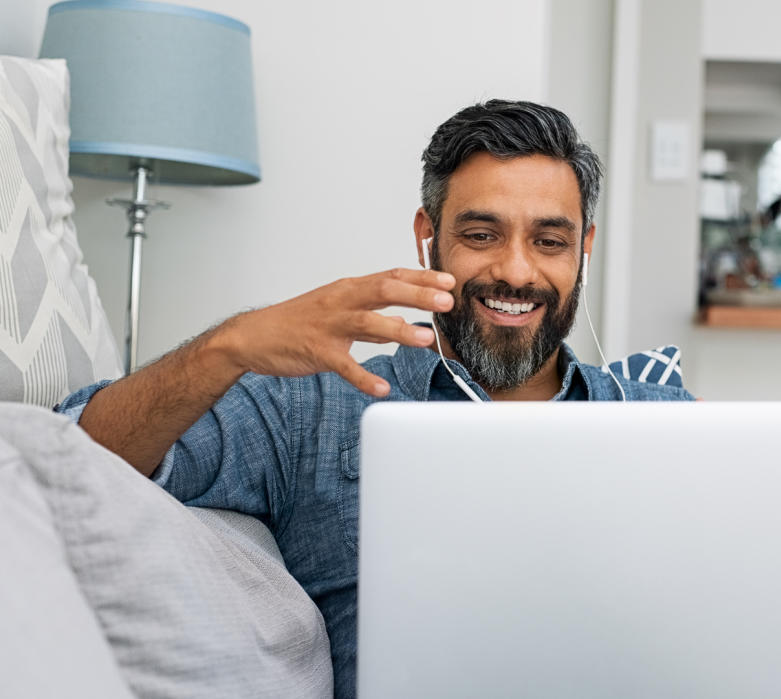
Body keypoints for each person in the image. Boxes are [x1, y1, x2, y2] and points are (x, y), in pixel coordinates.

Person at [56, 99, 695, 698]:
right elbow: (70, 461)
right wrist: (229, 345)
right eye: (481, 234)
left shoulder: (668, 424)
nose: (517, 271)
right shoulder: (311, 408)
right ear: (428, 235)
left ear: (583, 247)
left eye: (549, 242)